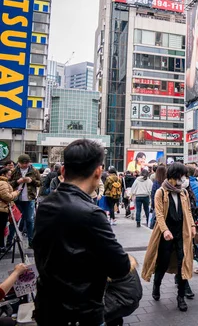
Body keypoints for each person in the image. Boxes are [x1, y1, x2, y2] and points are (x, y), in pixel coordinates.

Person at [33, 139, 132, 325]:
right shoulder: (92, 214)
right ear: (98, 172)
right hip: (82, 312)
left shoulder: (45, 205)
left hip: (47, 307)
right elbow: (120, 267)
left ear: (63, 171)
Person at [142, 162, 196, 312]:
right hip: (165, 235)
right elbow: (158, 213)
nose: (184, 179)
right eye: (182, 176)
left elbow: (188, 211)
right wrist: (165, 230)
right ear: (174, 176)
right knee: (162, 263)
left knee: (183, 262)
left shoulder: (183, 192)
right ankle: (156, 285)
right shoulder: (161, 192)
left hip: (181, 233)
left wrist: (192, 226)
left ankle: (181, 297)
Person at [9, 154, 40, 247]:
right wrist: (17, 182)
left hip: (29, 199)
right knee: (13, 220)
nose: (24, 165)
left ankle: (31, 242)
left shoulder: (34, 170)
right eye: (22, 163)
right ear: (18, 163)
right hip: (16, 198)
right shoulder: (14, 171)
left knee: (30, 221)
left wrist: (31, 181)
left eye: (26, 163)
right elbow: (8, 184)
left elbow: (40, 183)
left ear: (29, 162)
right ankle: (9, 241)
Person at [104, 256, 143, 326]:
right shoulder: (122, 259)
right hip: (131, 301)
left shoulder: (104, 264)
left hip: (122, 303)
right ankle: (116, 321)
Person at [0, 167, 18, 253]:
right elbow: (7, 196)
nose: (10, 176)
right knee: (1, 228)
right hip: (2, 209)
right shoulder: (3, 183)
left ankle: (2, 246)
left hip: (2, 208)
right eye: (8, 174)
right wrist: (16, 192)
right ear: (3, 174)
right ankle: (1, 246)